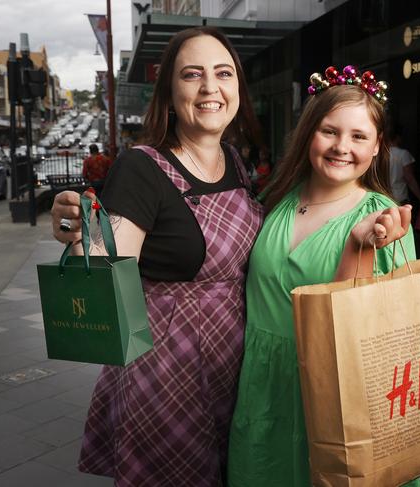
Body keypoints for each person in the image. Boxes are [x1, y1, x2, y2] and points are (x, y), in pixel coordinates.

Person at [51, 27, 264, 486]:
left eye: (223, 73)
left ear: (237, 89)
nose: (210, 87)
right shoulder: (142, 167)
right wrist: (76, 228)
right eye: (192, 75)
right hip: (168, 372)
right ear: (169, 93)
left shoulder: (236, 161)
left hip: (237, 361)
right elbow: (104, 263)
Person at [227, 68, 419, 486]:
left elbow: (369, 331)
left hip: (336, 391)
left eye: (358, 136)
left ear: (376, 148)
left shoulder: (382, 215)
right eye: (329, 131)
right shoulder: (274, 198)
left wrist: (357, 246)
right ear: (308, 134)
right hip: (264, 384)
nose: (341, 147)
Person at [387, 122, 420, 219]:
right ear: (398, 137)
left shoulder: (379, 154)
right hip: (399, 197)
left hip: (382, 196)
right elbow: (409, 178)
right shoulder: (403, 154)